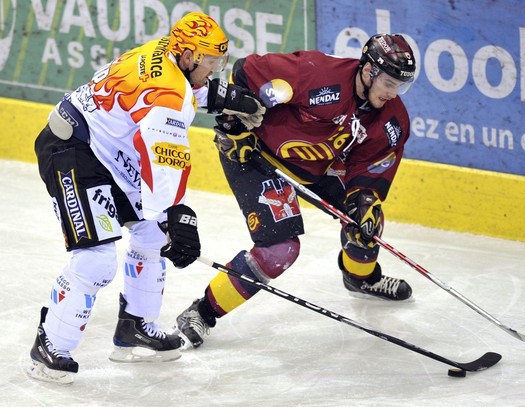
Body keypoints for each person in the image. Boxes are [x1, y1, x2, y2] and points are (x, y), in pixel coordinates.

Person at [28, 11, 264, 384]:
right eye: (210, 63)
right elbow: (163, 162)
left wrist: (227, 97)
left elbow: (188, 91)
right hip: (73, 151)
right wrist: (177, 217)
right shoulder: (169, 97)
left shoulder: (165, 54)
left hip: (107, 152)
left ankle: (135, 328)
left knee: (153, 235)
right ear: (187, 55)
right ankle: (49, 347)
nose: (214, 70)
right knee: (96, 259)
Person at [172, 33, 417, 350]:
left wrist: (364, 199)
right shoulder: (317, 73)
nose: (392, 93)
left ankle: (361, 278)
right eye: (388, 82)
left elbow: (369, 169)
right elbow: (248, 71)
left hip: (318, 167)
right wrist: (235, 124)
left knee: (367, 223)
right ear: (368, 71)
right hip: (257, 157)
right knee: (279, 250)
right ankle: (202, 313)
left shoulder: (391, 119)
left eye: (400, 85)